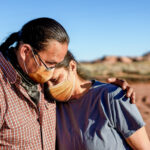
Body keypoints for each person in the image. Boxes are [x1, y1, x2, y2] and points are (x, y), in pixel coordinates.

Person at [0, 17, 136, 149]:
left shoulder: (38, 79)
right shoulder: (4, 87)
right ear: (25, 52)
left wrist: (114, 90)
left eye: (56, 65)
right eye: (50, 64)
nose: (50, 76)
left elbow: (77, 90)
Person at [46, 51, 150, 150]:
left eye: (54, 80)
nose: (50, 88)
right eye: (45, 84)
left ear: (72, 67)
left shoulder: (112, 96)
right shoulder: (52, 106)